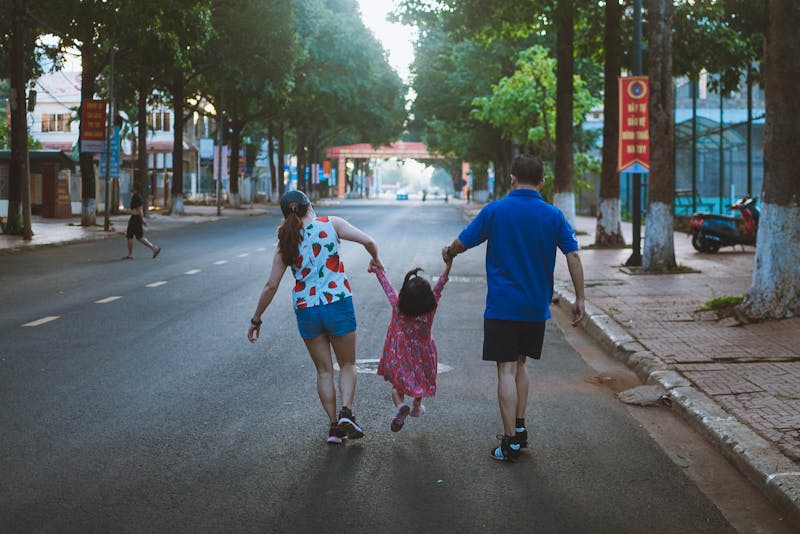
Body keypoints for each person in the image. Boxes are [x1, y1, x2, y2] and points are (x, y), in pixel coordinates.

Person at [441, 154, 586, 461]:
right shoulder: (554, 215)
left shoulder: (495, 210)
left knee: (505, 368)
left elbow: (463, 242)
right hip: (535, 307)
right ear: (542, 182)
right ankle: (520, 428)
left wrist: (449, 253)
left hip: (503, 306)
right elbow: (573, 255)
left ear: (512, 179)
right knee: (521, 364)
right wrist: (580, 298)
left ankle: (509, 443)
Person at [248, 190, 383, 444]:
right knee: (347, 364)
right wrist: (376, 259)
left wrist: (256, 319)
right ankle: (346, 413)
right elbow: (368, 241)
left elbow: (271, 285)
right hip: (337, 302)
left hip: (307, 309)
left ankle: (334, 427)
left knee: (323, 371)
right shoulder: (331, 224)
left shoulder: (285, 241)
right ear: (310, 206)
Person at [369, 261, 451, 432]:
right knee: (420, 381)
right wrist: (448, 265)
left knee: (397, 387)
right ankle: (416, 405)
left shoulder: (398, 306)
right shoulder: (430, 309)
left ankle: (400, 406)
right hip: (424, 355)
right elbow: (439, 286)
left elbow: (387, 286)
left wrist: (377, 270)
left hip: (402, 355)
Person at [122, 183, 160, 260]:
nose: (131, 187)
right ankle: (154, 248)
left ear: (135, 188)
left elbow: (140, 210)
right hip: (135, 218)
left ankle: (131, 254)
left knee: (131, 236)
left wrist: (142, 220)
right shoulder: (135, 196)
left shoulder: (137, 197)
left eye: (132, 186)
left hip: (135, 219)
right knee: (138, 237)